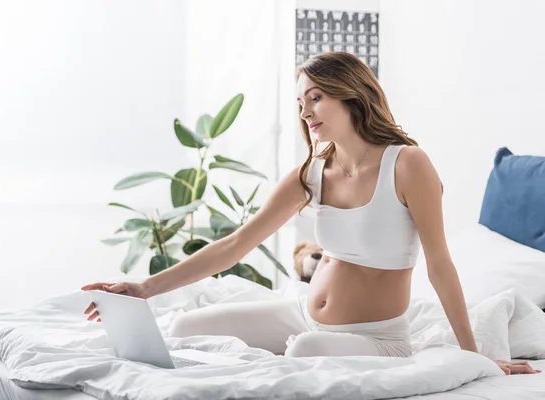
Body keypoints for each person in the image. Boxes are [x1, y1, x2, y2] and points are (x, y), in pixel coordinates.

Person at [82, 51, 539, 375]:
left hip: (378, 337)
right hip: (306, 315)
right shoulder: (311, 172)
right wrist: (144, 288)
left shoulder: (407, 164)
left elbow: (439, 263)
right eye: (301, 103)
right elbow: (237, 244)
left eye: (316, 97)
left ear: (352, 94)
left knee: (304, 350)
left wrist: (472, 354)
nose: (306, 113)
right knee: (184, 326)